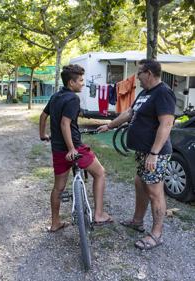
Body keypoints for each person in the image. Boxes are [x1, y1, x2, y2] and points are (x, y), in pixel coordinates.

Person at [97, 59, 176, 250]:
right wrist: (109, 125)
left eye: (139, 72)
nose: (136, 76)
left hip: (155, 153)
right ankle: (137, 221)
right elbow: (129, 113)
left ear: (148, 73)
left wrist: (154, 153)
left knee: (155, 191)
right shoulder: (146, 93)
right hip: (143, 152)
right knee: (140, 183)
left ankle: (157, 234)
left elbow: (166, 124)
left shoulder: (163, 93)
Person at [39, 64, 113, 232]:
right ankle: (99, 214)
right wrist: (72, 149)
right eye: (80, 80)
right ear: (71, 83)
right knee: (100, 173)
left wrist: (43, 135)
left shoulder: (56, 96)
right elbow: (65, 123)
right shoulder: (73, 99)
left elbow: (43, 116)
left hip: (57, 149)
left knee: (58, 187)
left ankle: (55, 223)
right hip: (74, 148)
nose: (82, 83)